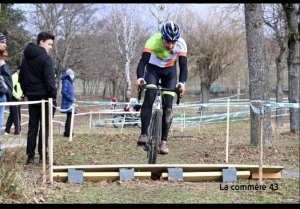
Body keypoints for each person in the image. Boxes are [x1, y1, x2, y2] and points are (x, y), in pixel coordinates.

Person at [135, 21, 187, 154]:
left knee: (168, 106)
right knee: (150, 96)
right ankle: (144, 134)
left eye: (173, 43)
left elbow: (183, 67)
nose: (170, 45)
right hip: (153, 69)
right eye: (167, 42)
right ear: (162, 37)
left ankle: (164, 141)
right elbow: (143, 62)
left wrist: (182, 82)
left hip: (169, 72)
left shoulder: (181, 44)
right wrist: (140, 78)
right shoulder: (153, 41)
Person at [19, 31, 57, 165]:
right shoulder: (46, 59)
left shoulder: (25, 58)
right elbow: (50, 81)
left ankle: (30, 157)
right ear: (41, 42)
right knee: (44, 128)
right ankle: (43, 157)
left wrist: (27, 93)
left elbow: (21, 78)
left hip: (33, 97)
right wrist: (53, 96)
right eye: (49, 44)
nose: (50, 47)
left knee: (33, 126)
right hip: (45, 98)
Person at [0, 33, 13, 135]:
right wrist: (4, 90)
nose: (5, 45)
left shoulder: (2, 57)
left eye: (5, 43)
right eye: (2, 42)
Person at [4, 65, 23, 135]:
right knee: (16, 115)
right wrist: (17, 97)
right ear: (18, 70)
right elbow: (12, 89)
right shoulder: (14, 77)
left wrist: (22, 95)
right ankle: (17, 131)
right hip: (14, 98)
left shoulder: (21, 77)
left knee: (12, 114)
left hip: (20, 98)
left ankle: (7, 130)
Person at [60, 68, 76, 138]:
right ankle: (68, 132)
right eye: (71, 74)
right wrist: (71, 98)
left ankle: (67, 132)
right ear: (69, 74)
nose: (73, 75)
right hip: (68, 103)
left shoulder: (70, 82)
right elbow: (64, 92)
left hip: (71, 103)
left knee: (69, 117)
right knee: (69, 118)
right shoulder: (66, 81)